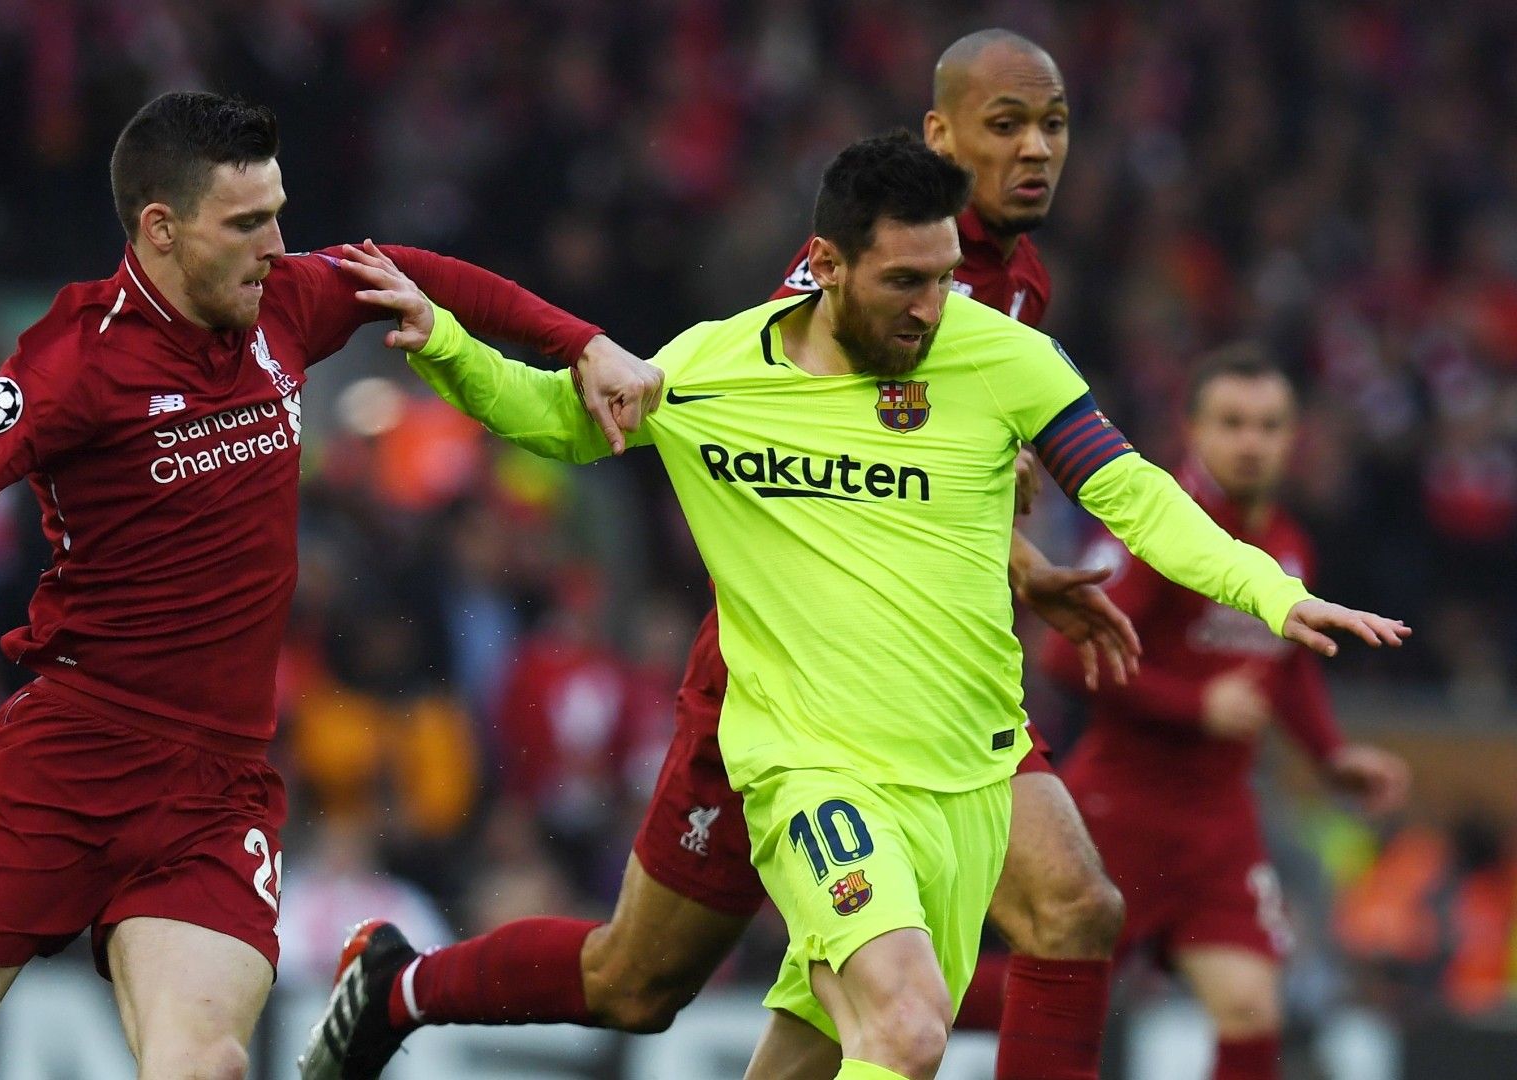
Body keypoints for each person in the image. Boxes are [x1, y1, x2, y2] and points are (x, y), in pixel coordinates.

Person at [308, 131, 1408, 1080]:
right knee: (903, 1024)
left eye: (945, 278)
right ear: (824, 267)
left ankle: (398, 986)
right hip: (812, 767)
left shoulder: (1004, 356)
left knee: (769, 1009)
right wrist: (446, 345)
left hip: (969, 770)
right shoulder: (713, 373)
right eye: (906, 283)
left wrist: (1269, 592)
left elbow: (1131, 492)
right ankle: (405, 992)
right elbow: (555, 418)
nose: (933, 309)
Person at [0, 91, 658, 1080]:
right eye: (245, 224)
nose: (275, 247)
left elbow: (416, 271)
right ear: (161, 227)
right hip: (70, 766)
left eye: (277, 214)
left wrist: (582, 343)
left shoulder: (285, 303)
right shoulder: (72, 362)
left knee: (206, 1066)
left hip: (215, 793)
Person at [305, 29, 1130, 1080]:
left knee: (1062, 912)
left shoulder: (1021, 287)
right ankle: (401, 987)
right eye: (1005, 125)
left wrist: (1015, 557)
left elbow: (916, 482)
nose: (1036, 150)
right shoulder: (859, 260)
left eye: (1053, 125)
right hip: (783, 680)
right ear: (939, 135)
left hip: (924, 690)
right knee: (638, 981)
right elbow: (801, 439)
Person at [1042, 345, 1411, 1080]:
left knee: (1251, 1007)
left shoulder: (1287, 542)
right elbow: (1061, 657)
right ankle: (878, 1015)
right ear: (1192, 430)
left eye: (1269, 426)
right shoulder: (1160, 531)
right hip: (1124, 808)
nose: (1251, 442)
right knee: (1053, 998)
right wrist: (1195, 705)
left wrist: (1331, 756)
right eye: (1232, 423)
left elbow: (1286, 664)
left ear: (1293, 437)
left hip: (1220, 822)